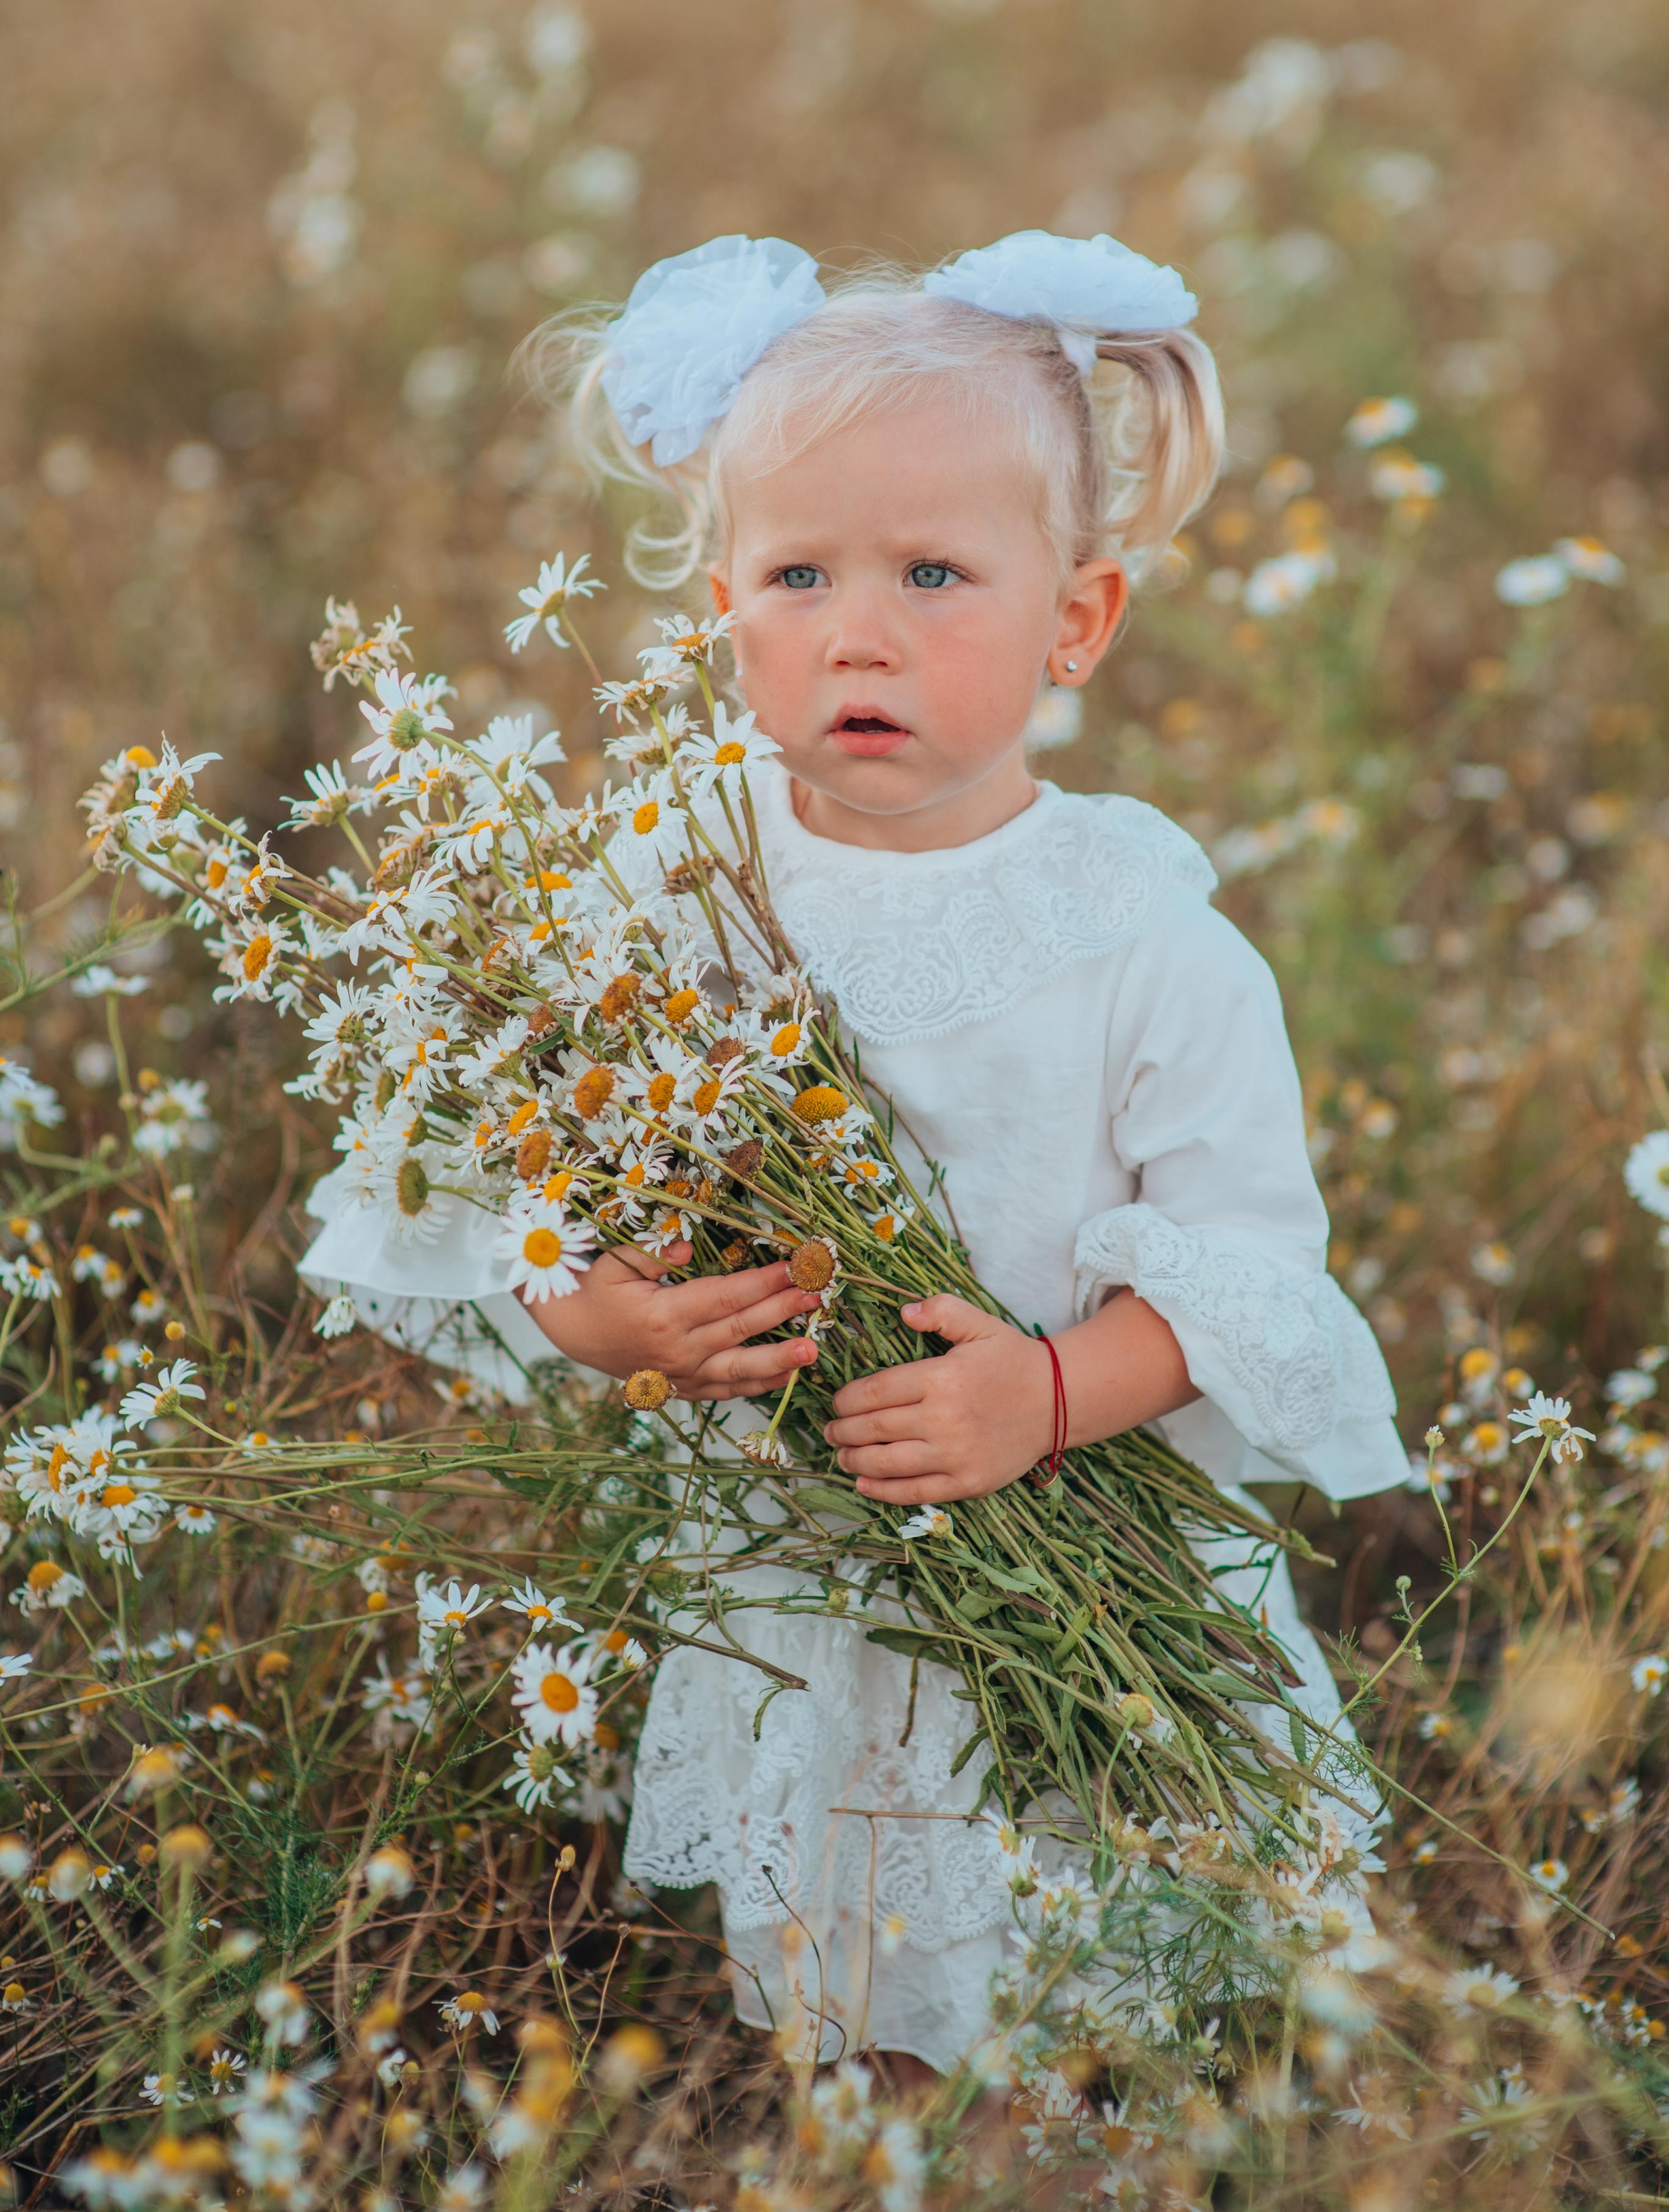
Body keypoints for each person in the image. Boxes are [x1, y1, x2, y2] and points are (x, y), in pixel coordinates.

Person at [299, 230, 1411, 2082]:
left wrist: (1048, 1395)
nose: (857, 632)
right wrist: (605, 1323)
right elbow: (518, 1172)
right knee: (859, 2000)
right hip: (810, 1571)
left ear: (1077, 619)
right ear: (718, 610)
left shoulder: (1143, 934)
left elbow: (1243, 1267)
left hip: (1076, 1560)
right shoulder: (667, 889)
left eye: (934, 574)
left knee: (1091, 2004)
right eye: (798, 573)